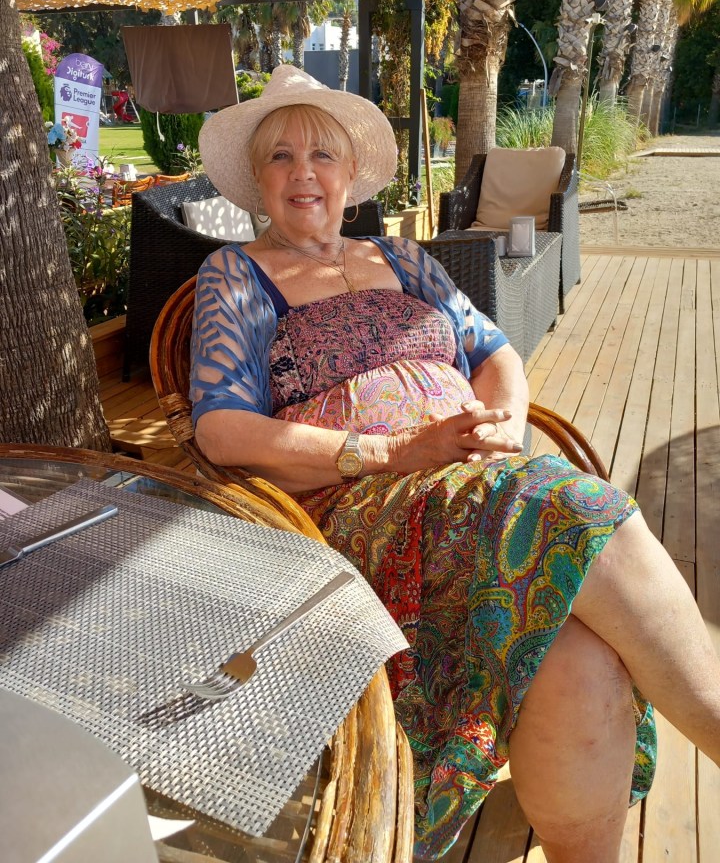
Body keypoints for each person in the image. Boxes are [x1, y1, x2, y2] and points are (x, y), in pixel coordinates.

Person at [190, 65, 720, 862]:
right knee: (577, 508)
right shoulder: (236, 276)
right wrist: (396, 452)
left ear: (349, 176)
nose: (305, 174)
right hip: (360, 505)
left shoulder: (404, 259)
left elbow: (495, 351)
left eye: (323, 156)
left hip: (477, 486)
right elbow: (223, 431)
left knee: (577, 657)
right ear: (257, 183)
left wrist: (503, 421)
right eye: (282, 158)